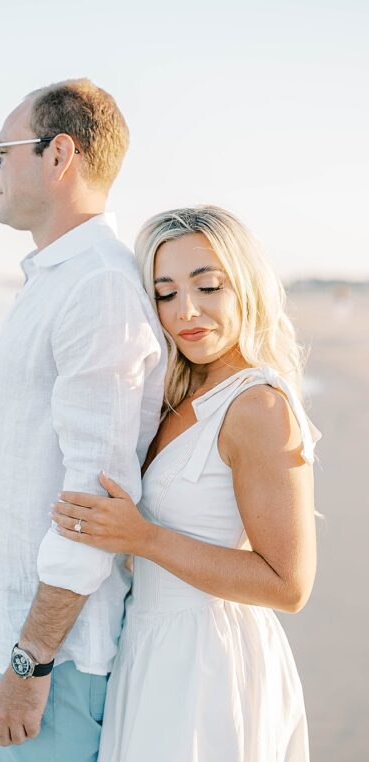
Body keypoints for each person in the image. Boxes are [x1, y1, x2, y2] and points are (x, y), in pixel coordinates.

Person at [51, 205, 317, 761]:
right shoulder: (177, 394)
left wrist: (141, 538)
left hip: (209, 663)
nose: (185, 312)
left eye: (207, 286)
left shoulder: (257, 406)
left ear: (245, 286)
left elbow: (289, 585)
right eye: (165, 293)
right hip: (150, 648)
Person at [0, 79, 166, 760]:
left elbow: (94, 500)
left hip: (58, 663)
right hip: (14, 635)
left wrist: (29, 662)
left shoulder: (97, 287)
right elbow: (15, 466)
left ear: (58, 155)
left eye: (1, 150)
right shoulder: (55, 278)